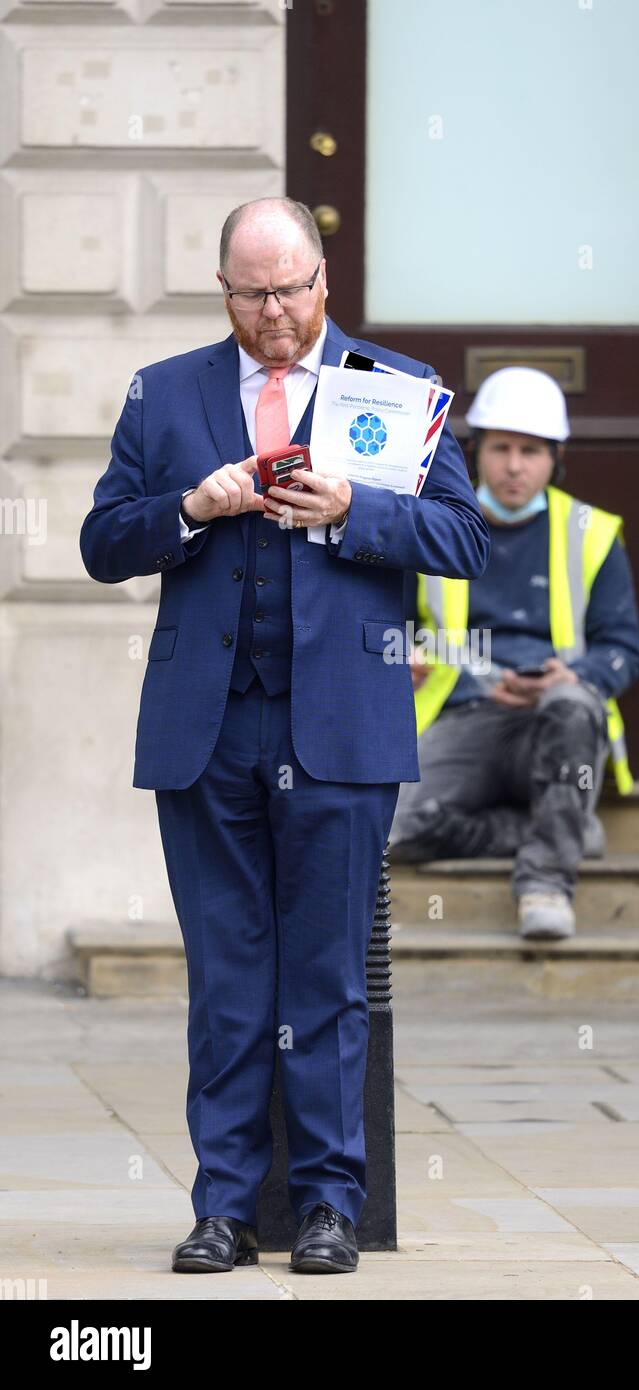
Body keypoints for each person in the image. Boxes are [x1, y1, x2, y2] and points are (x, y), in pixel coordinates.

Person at [79, 197, 489, 1275]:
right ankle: (221, 1206)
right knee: (225, 977)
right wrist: (188, 508)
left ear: (323, 280)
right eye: (252, 293)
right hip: (206, 729)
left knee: (325, 978)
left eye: (291, 289)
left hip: (343, 724)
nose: (274, 312)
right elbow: (100, 541)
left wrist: (354, 507)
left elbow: (462, 537)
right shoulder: (165, 393)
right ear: (225, 291)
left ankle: (326, 1205)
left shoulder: (398, 391)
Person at [388, 366, 639, 940]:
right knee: (389, 830)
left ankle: (546, 883)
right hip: (462, 715)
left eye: (531, 451)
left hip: (552, 722)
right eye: (501, 448)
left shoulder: (592, 532)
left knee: (575, 704)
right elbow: (388, 628)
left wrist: (570, 676)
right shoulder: (430, 525)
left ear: (555, 458)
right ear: (476, 451)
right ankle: (557, 828)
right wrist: (398, 656)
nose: (514, 466)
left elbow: (623, 649)